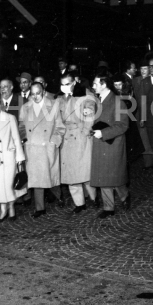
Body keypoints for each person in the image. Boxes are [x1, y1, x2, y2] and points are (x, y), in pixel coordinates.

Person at [19, 82, 65, 218]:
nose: (35, 97)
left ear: (44, 92)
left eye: (38, 93)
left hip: (47, 147)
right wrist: (24, 139)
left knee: (51, 177)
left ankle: (59, 197)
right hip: (32, 148)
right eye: (32, 94)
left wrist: (54, 141)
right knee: (37, 179)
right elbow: (21, 126)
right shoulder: (25, 107)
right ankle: (40, 208)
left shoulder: (53, 105)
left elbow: (60, 127)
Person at [90, 73, 131, 218]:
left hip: (112, 143)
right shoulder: (96, 101)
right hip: (99, 143)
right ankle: (108, 207)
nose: (93, 86)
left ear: (104, 84)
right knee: (103, 176)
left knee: (114, 176)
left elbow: (123, 125)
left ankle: (125, 196)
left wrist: (104, 133)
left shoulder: (117, 101)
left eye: (95, 84)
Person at [56, 73, 97, 213]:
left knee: (85, 172)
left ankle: (94, 198)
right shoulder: (60, 98)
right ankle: (79, 203)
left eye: (67, 84)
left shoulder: (85, 95)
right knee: (71, 174)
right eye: (62, 84)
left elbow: (90, 116)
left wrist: (85, 132)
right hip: (66, 138)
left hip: (80, 137)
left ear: (74, 82)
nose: (64, 87)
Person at [0, 94, 26, 221]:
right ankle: (3, 210)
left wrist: (19, 157)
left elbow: (16, 137)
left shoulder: (10, 118)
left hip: (9, 156)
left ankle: (12, 208)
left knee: (9, 185)